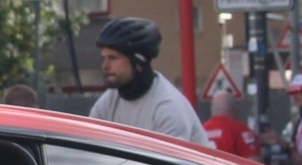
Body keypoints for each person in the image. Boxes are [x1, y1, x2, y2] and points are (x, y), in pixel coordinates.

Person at [86, 18, 211, 146]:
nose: (105, 66)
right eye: (104, 58)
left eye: (113, 58)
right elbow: (89, 147)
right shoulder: (109, 101)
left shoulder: (168, 108)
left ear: (139, 62)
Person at [203, 90, 260, 158]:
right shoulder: (240, 130)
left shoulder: (202, 129)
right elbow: (254, 161)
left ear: (212, 109)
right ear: (234, 108)